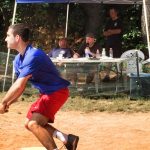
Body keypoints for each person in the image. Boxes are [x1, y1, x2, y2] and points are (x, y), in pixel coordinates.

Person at [0, 23, 79, 150]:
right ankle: (67, 139)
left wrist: (3, 102)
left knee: (33, 123)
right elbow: (21, 87)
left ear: (17, 38)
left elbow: (19, 85)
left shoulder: (33, 55)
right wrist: (8, 103)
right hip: (49, 93)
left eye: (8, 35)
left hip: (56, 92)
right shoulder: (17, 60)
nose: (5, 39)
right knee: (28, 123)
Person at [103, 8, 123, 81]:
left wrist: (110, 31)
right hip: (108, 44)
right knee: (108, 60)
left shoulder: (119, 21)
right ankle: (107, 76)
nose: (111, 14)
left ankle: (119, 75)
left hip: (117, 44)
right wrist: (111, 32)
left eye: (112, 12)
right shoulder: (108, 21)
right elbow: (104, 33)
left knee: (118, 59)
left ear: (116, 13)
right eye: (110, 13)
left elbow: (119, 31)